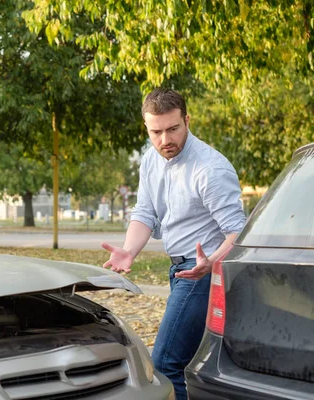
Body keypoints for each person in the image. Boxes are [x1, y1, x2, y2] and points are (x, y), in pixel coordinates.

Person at [101, 88, 246, 400]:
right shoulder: (150, 160)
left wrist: (211, 262)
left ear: (187, 120)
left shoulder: (210, 169)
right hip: (180, 271)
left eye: (172, 129)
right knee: (192, 363)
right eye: (156, 131)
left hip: (203, 273)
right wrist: (129, 250)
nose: (165, 139)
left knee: (165, 362)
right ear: (147, 128)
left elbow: (238, 232)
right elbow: (145, 212)